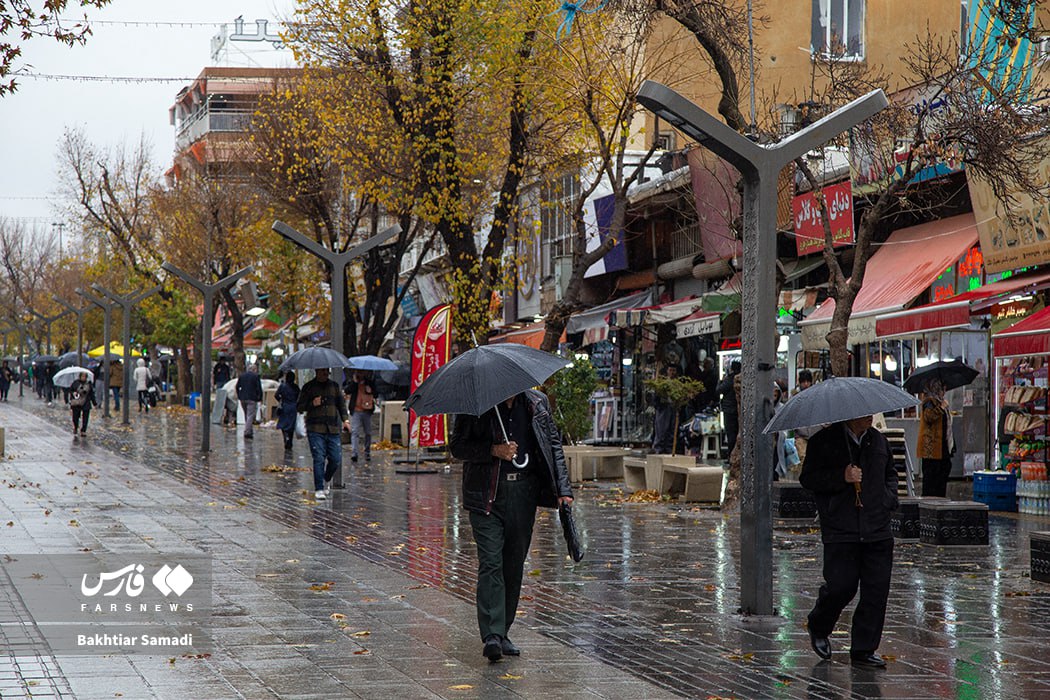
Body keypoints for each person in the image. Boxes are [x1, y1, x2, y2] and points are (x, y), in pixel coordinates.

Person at [450, 389, 574, 662]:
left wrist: (564, 490)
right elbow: (457, 446)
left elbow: (553, 446)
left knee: (513, 563)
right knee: (491, 560)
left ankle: (503, 629)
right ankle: (492, 634)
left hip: (523, 495)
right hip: (486, 496)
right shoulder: (476, 405)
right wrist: (493, 450)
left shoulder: (536, 403)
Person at [799, 414, 898, 669]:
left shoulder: (878, 442)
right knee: (841, 586)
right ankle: (819, 624)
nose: (869, 418)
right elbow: (808, 479)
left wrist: (887, 501)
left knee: (876, 590)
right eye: (863, 415)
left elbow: (891, 475)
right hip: (841, 528)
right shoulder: (824, 441)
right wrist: (841, 476)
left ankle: (864, 648)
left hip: (877, 527)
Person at [297, 367, 352, 500]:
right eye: (322, 371)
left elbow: (341, 405)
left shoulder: (334, 386)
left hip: (333, 428)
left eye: (327, 371)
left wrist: (345, 420)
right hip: (315, 428)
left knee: (336, 458)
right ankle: (319, 488)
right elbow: (299, 406)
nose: (325, 373)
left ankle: (326, 477)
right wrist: (312, 404)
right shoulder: (308, 387)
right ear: (316, 372)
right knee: (319, 458)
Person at [917, 378, 953, 497]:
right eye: (943, 389)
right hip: (931, 451)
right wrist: (941, 408)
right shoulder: (929, 402)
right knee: (931, 481)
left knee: (941, 477)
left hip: (942, 449)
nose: (944, 391)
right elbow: (929, 417)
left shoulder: (939, 402)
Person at [344, 370, 377, 463]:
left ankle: (367, 452)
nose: (360, 374)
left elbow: (376, 393)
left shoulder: (369, 382)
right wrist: (355, 382)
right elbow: (347, 390)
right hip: (356, 411)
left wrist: (370, 389)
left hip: (367, 411)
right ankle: (354, 453)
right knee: (355, 432)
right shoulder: (353, 382)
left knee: (368, 432)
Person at [651, 365, 679, 454]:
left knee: (671, 429)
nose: (672, 372)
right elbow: (656, 395)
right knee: (661, 429)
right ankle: (658, 449)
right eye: (670, 370)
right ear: (667, 371)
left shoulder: (677, 383)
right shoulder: (662, 383)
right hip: (663, 407)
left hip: (673, 407)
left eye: (674, 370)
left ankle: (669, 448)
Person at [717, 360, 741, 458]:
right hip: (738, 409)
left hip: (729, 410)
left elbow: (718, 390)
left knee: (731, 433)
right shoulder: (741, 379)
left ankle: (731, 455)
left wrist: (720, 381)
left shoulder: (730, 379)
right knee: (736, 432)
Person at [235, 363, 263, 439]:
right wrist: (260, 397)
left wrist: (239, 395)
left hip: (243, 398)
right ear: (254, 369)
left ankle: (249, 430)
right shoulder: (256, 376)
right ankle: (247, 431)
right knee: (250, 415)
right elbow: (259, 388)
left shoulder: (242, 376)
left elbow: (237, 386)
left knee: (246, 414)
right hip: (252, 398)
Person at [275, 371, 300, 451]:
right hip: (293, 408)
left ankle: (286, 437)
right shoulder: (296, 387)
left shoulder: (282, 386)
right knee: (291, 425)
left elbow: (276, 395)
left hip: (284, 407)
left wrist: (281, 400)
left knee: (284, 424)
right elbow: (299, 397)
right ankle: (290, 440)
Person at [68, 371, 97, 435]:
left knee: (85, 417)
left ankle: (83, 430)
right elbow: (71, 391)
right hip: (76, 402)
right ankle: (76, 426)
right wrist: (73, 393)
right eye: (82, 376)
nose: (83, 378)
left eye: (84, 376)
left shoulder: (88, 384)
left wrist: (94, 403)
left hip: (86, 402)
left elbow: (92, 394)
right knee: (75, 416)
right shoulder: (75, 383)